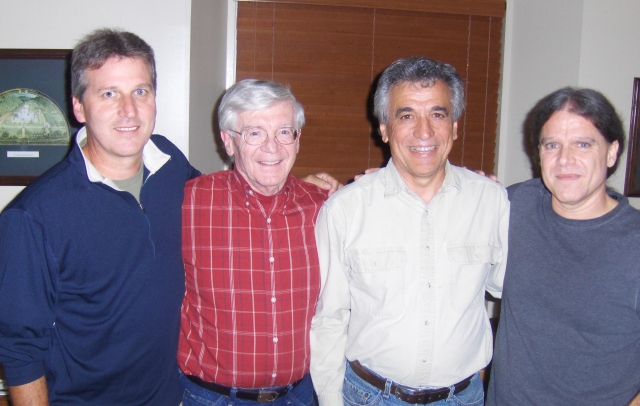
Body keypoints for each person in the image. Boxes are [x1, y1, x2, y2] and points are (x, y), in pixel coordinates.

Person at [0, 28, 200, 405]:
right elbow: (20, 351)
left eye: (140, 91)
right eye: (109, 94)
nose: (129, 110)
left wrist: (282, 184)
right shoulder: (32, 217)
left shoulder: (171, 163)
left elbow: (222, 202)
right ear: (79, 107)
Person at [310, 56, 509, 406]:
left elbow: (517, 291)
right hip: (369, 396)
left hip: (462, 399)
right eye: (406, 116)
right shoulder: (345, 210)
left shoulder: (492, 202)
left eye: (438, 114)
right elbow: (329, 320)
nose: (424, 132)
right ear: (384, 128)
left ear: (455, 126)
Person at [486, 87, 640, 406]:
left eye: (583, 144)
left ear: (612, 152)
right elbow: (445, 204)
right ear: (538, 153)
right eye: (552, 145)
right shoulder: (514, 206)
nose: (565, 159)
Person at [178, 79, 327, 406]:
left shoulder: (325, 208)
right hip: (212, 398)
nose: (272, 147)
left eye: (284, 132)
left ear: (297, 139)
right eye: (255, 133)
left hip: (300, 395)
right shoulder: (187, 204)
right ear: (228, 141)